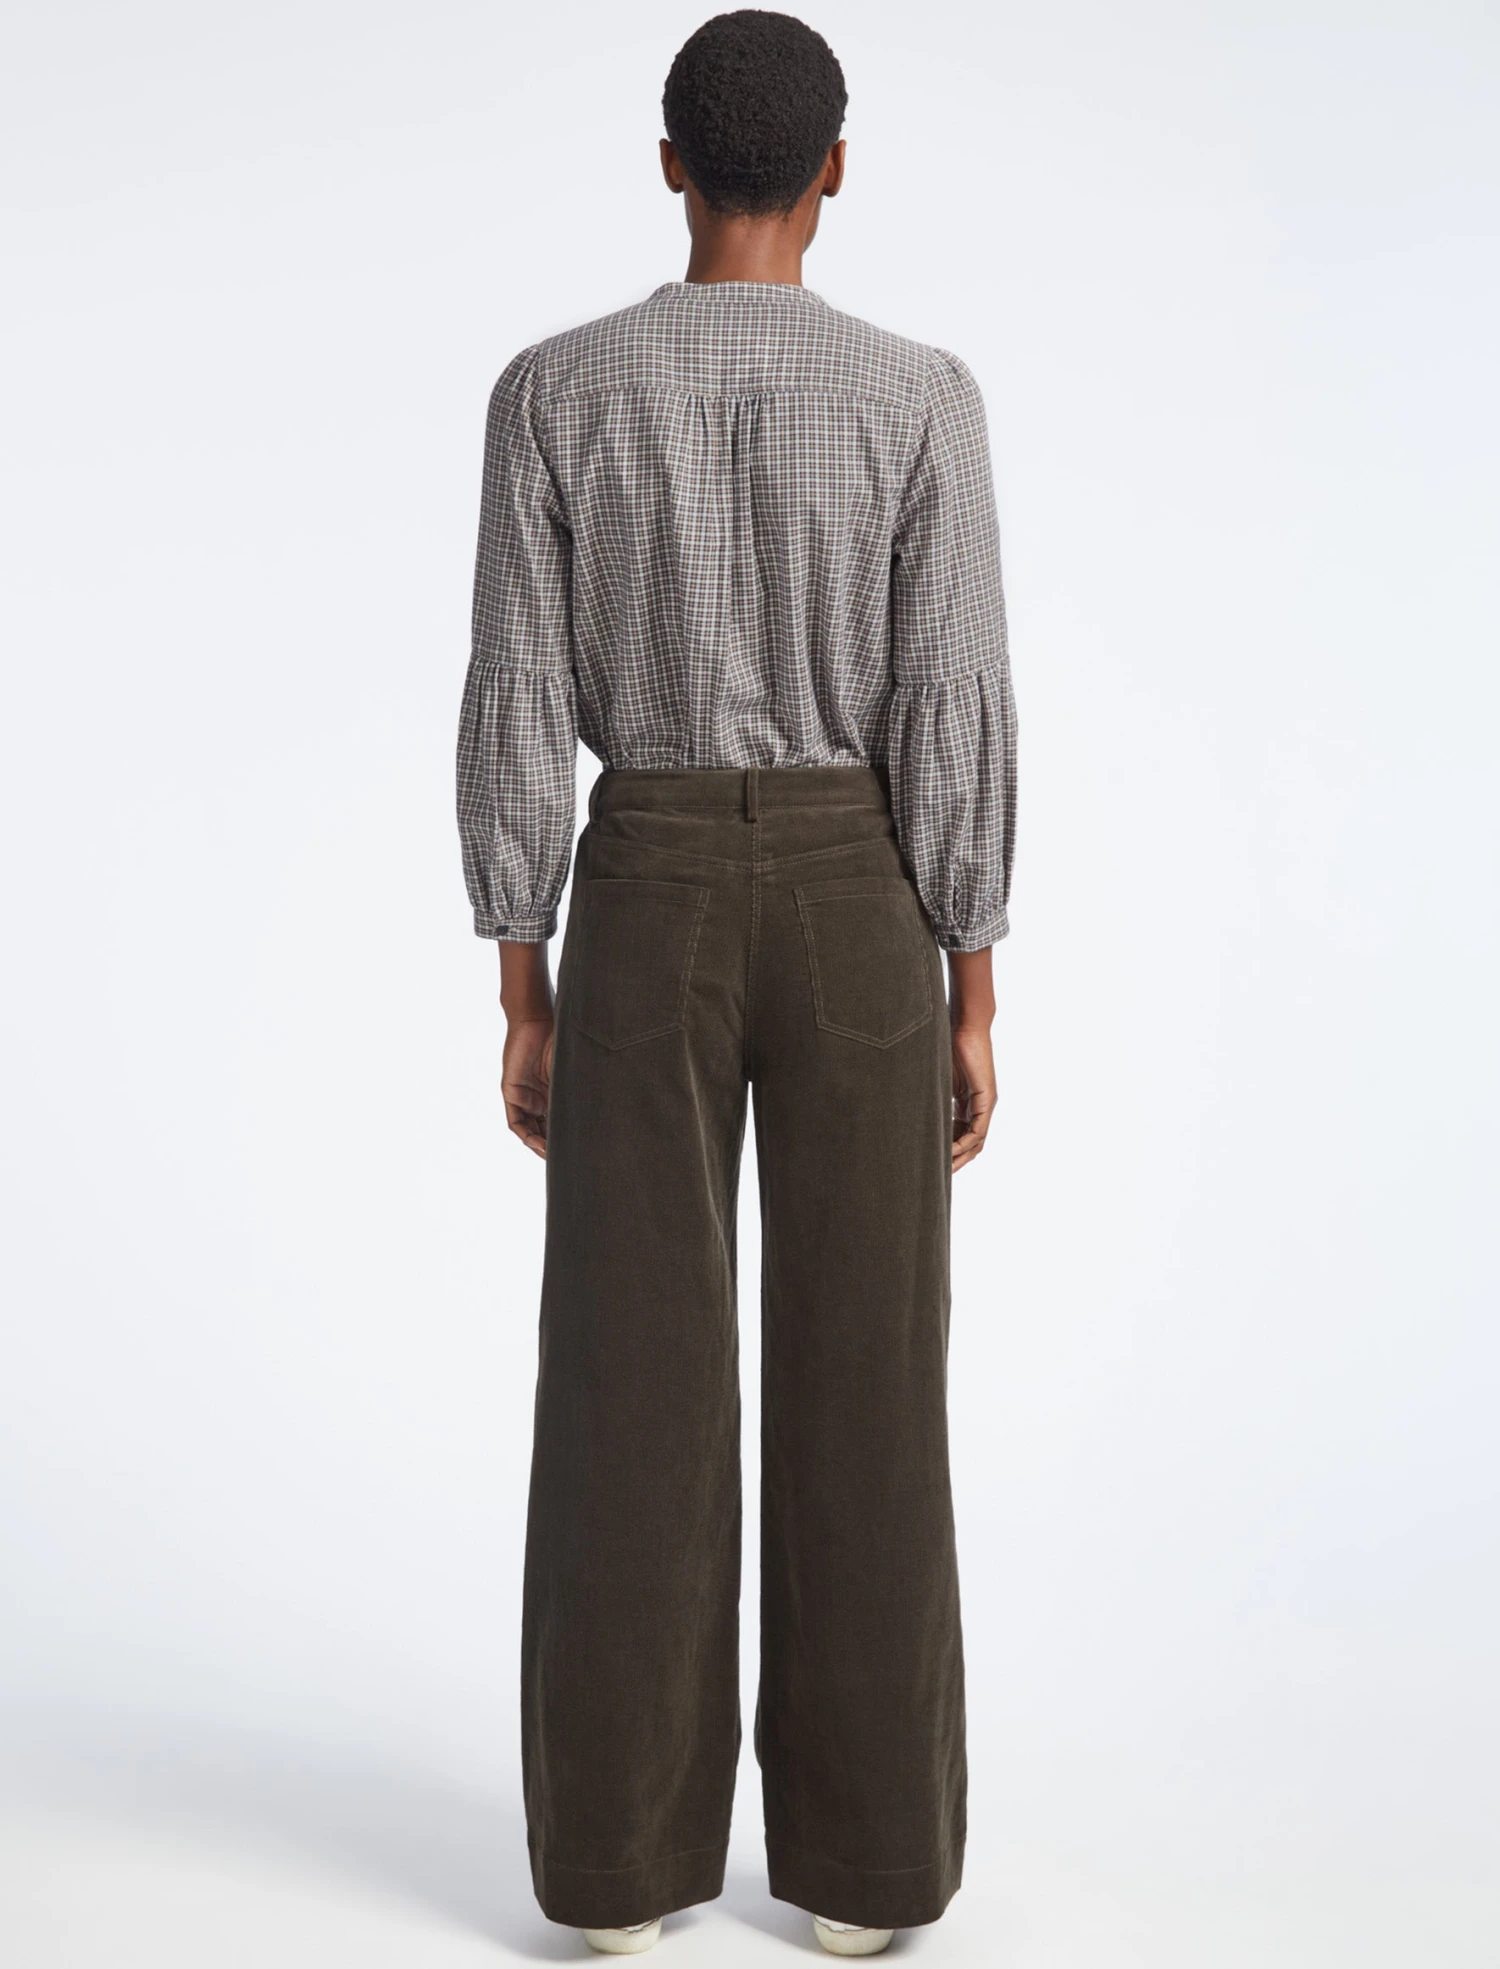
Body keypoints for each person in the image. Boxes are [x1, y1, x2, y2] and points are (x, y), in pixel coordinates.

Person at [456, 10, 1016, 1957]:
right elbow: (952, 699)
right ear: (836, 171)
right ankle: (866, 1883)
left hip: (648, 896)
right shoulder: (922, 398)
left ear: (670, 162)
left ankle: (617, 1880)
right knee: (871, 1380)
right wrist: (973, 975)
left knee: (629, 1383)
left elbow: (518, 699)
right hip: (867, 897)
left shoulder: (555, 392)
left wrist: (522, 974)